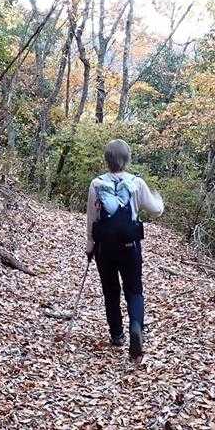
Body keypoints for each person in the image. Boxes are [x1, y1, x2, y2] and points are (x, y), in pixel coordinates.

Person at [86, 139, 164, 359]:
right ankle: (136, 327)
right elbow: (156, 210)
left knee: (110, 290)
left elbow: (92, 217)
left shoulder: (96, 184)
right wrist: (159, 198)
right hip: (130, 246)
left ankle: (117, 334)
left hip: (104, 247)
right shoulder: (136, 183)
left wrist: (90, 245)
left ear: (107, 159)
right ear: (127, 159)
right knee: (134, 290)